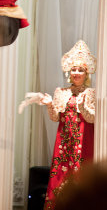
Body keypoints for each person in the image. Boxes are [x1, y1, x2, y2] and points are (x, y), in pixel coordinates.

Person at [41, 40, 96, 210]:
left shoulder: (91, 93)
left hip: (83, 141)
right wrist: (50, 104)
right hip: (64, 144)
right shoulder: (61, 92)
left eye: (80, 70)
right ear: (69, 72)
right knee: (61, 177)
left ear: (86, 73)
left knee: (82, 177)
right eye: (74, 69)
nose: (77, 73)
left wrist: (82, 106)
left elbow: (92, 119)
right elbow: (55, 118)